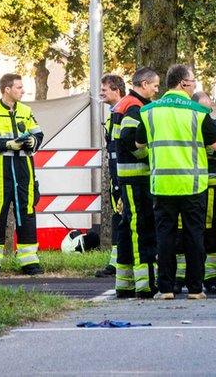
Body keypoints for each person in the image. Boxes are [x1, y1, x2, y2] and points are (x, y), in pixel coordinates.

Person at [135, 64, 216, 300]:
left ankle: (165, 289)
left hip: (162, 185)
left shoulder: (150, 110)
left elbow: (139, 144)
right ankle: (195, 289)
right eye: (193, 82)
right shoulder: (198, 111)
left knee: (165, 238)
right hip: (193, 185)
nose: (195, 85)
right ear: (183, 83)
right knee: (195, 237)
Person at [0, 73, 45, 275]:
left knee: (26, 210)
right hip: (0, 168)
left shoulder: (26, 110)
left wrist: (33, 141)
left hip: (23, 166)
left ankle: (29, 261)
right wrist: (7, 144)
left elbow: (38, 134)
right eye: (18, 87)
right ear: (7, 89)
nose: (22, 90)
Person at [113, 68, 161, 298]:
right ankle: (145, 284)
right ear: (143, 84)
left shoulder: (125, 103)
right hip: (136, 177)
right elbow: (129, 142)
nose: (156, 89)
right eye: (154, 85)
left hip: (128, 177)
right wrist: (151, 157)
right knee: (139, 226)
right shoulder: (134, 106)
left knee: (128, 226)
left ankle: (125, 283)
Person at [174, 92, 216, 294]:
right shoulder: (189, 124)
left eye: (209, 109)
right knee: (181, 233)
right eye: (203, 109)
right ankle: (179, 277)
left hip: (211, 187)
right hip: (188, 186)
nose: (207, 113)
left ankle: (213, 277)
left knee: (209, 232)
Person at [97, 73, 127, 277]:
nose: (100, 93)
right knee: (118, 217)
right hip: (117, 175)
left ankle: (121, 263)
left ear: (116, 90)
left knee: (123, 217)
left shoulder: (124, 112)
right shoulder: (113, 112)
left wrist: (119, 181)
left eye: (104, 90)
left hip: (124, 176)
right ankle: (116, 262)